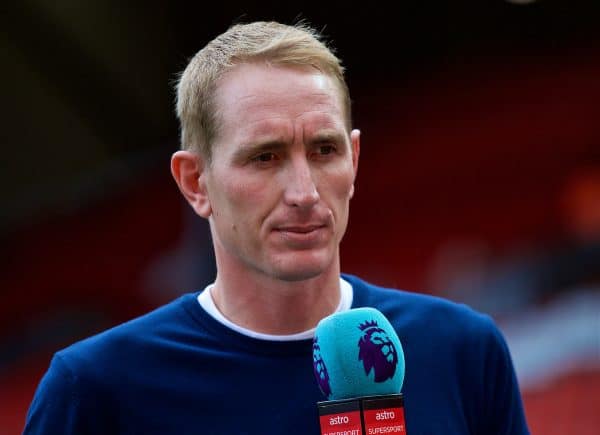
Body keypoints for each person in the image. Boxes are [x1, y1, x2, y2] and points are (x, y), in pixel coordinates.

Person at [24, 21, 530, 434]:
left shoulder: (463, 349)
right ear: (196, 182)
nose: (304, 192)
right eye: (265, 157)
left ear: (354, 160)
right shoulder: (95, 389)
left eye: (324, 150)